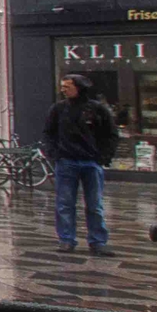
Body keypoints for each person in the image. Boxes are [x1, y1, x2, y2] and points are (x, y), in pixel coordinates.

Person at [45, 74, 117, 256]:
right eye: (62, 86)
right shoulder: (58, 109)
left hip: (91, 162)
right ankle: (66, 240)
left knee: (95, 204)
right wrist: (55, 154)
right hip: (66, 161)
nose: (63, 89)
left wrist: (103, 157)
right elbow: (49, 133)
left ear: (79, 87)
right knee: (64, 203)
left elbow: (111, 134)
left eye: (67, 86)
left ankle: (98, 241)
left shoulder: (97, 109)